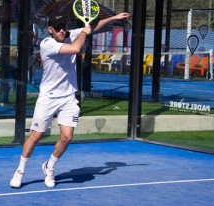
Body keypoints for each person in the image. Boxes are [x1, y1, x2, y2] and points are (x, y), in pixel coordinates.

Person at [10, 12, 130, 189]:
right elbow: (75, 48)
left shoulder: (70, 34)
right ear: (50, 30)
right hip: (48, 98)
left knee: (67, 137)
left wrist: (114, 18)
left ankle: (49, 167)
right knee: (36, 135)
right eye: (57, 28)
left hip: (68, 97)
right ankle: (20, 171)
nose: (61, 30)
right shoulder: (47, 44)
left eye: (63, 27)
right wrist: (83, 33)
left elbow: (94, 27)